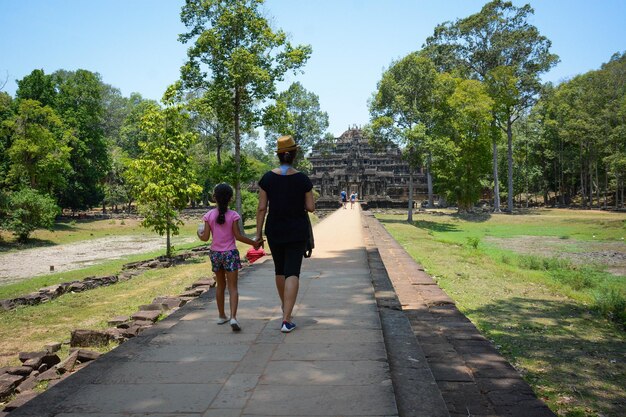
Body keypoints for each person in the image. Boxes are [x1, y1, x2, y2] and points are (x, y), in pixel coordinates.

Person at [256, 135, 315, 333]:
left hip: (274, 229)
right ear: (294, 155)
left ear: (279, 156)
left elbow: (262, 208)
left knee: (279, 270)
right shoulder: (303, 179)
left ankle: (285, 309)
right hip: (296, 229)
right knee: (293, 271)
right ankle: (287, 318)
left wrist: (258, 235)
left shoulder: (267, 179)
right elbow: (311, 207)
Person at [198, 183, 260, 332]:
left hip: (215, 254)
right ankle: (233, 317)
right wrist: (254, 243)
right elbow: (238, 236)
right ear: (231, 199)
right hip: (230, 253)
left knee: (220, 286)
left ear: (214, 198)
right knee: (233, 287)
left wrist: (198, 233)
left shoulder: (208, 216)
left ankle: (221, 315)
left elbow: (205, 238)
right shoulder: (233, 215)